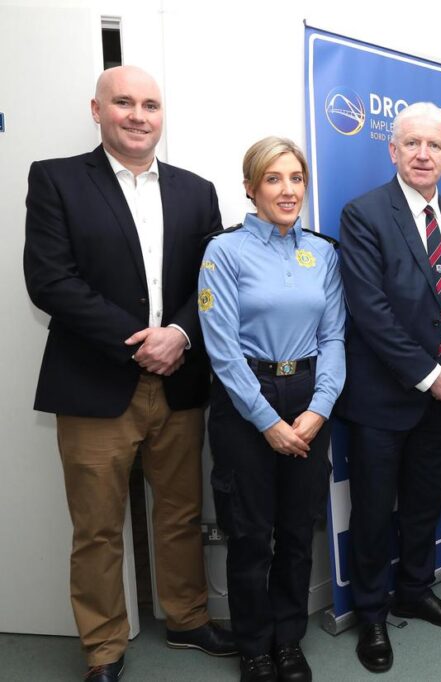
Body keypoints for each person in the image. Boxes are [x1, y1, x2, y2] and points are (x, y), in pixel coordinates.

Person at [22, 65, 236, 681]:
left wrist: (182, 335)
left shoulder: (196, 190)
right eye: (124, 103)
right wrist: (139, 343)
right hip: (93, 383)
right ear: (97, 110)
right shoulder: (57, 180)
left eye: (150, 104)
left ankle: (187, 618)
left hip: (180, 384)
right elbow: (50, 281)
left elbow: (212, 282)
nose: (138, 115)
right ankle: (104, 649)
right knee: (96, 529)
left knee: (178, 513)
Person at [337, 102, 441, 674]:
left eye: (435, 145)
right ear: (393, 150)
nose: (423, 153)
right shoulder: (364, 214)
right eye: (412, 144)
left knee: (425, 503)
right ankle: (372, 614)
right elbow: (369, 309)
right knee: (375, 512)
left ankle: (415, 590)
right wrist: (430, 374)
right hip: (385, 398)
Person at [199, 137, 345, 682]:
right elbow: (221, 350)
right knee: (251, 532)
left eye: (296, 178)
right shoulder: (225, 251)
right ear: (251, 187)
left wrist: (320, 407)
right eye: (274, 179)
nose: (288, 190)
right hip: (246, 400)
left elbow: (333, 337)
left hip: (308, 394)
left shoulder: (322, 252)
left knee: (297, 528)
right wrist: (268, 422)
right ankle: (255, 646)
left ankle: (288, 639)